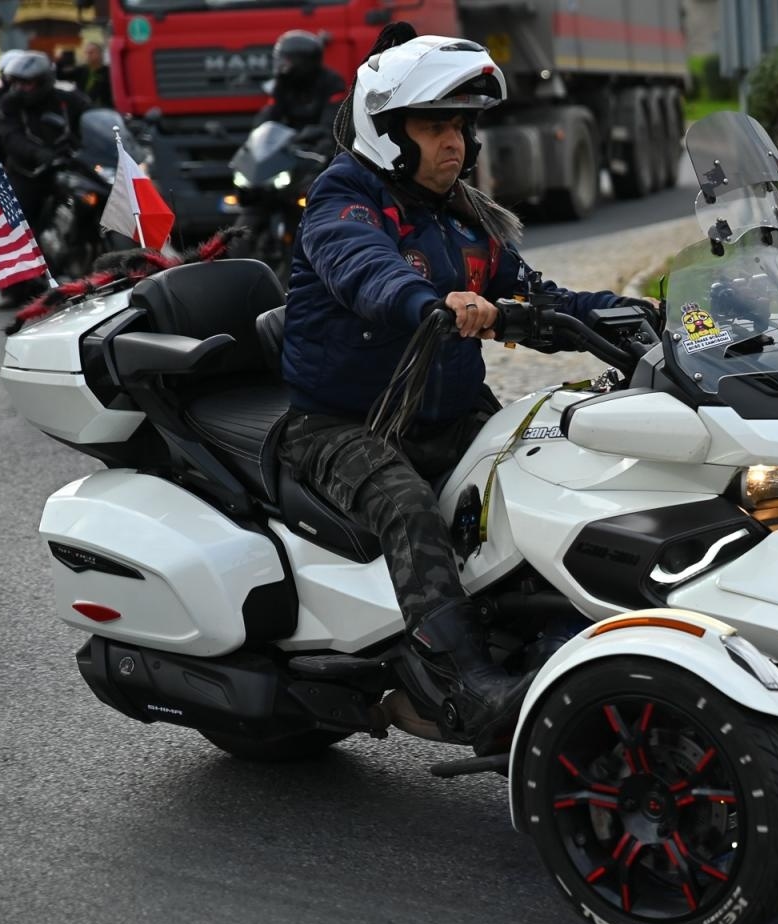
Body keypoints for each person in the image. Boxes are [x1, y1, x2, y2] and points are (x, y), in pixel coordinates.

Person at [278, 34, 652, 755]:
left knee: (552, 457)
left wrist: (646, 320)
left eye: (460, 127)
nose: (455, 143)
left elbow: (542, 298)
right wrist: (427, 302)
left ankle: (553, 631)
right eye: (435, 127)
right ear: (386, 135)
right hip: (342, 423)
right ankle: (467, 682)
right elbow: (362, 266)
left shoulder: (460, 215)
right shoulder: (344, 197)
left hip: (445, 413)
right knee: (404, 501)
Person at [0, 50, 89, 308]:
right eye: (17, 82)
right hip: (29, 172)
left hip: (70, 164)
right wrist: (39, 154)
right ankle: (16, 287)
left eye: (27, 82)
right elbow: (12, 138)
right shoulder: (10, 104)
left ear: (44, 80)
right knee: (16, 223)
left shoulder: (67, 98)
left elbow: (91, 117)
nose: (21, 88)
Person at [255, 30, 346, 158]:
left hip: (321, 148)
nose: (281, 66)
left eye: (286, 62)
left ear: (303, 62)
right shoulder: (283, 83)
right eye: (280, 60)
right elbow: (270, 111)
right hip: (290, 145)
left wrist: (317, 133)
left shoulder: (332, 83)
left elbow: (333, 123)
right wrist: (258, 132)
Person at [71, 41, 113, 109]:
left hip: (102, 109)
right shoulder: (81, 70)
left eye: (91, 52)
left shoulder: (108, 72)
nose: (88, 55)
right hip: (83, 108)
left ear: (100, 54)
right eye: (86, 53)